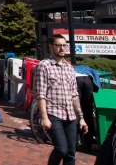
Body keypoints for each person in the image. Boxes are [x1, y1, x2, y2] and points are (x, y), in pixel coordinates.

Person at [33, 34, 87, 165]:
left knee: (71, 153)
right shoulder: (44, 66)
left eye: (64, 45)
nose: (62, 48)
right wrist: (44, 117)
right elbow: (41, 94)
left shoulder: (69, 68)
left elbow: (74, 95)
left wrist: (81, 118)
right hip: (54, 113)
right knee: (62, 149)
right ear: (51, 47)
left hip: (70, 115)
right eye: (58, 45)